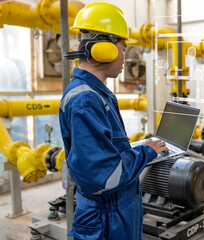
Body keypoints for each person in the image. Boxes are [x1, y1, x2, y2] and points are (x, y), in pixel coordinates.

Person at [59, 3, 168, 240]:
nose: (124, 57)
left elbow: (107, 151)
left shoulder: (97, 93)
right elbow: (103, 176)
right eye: (123, 48)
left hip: (117, 210)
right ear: (104, 50)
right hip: (105, 219)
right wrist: (146, 153)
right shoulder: (86, 99)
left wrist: (138, 147)